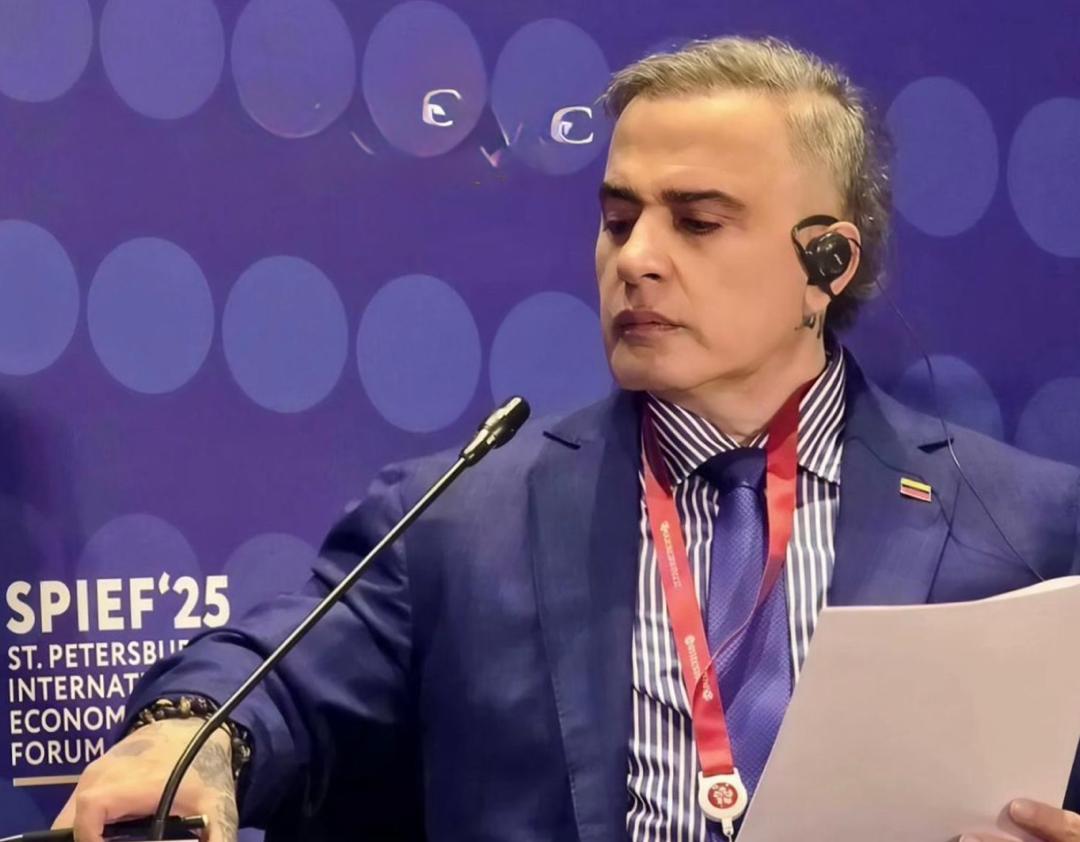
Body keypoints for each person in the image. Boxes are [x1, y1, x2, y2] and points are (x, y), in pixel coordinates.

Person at [55, 36, 1080, 842]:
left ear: (828, 263)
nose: (636, 259)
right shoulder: (464, 516)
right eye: (619, 218)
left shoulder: (1025, 525)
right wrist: (191, 738)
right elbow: (273, 675)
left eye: (697, 221)